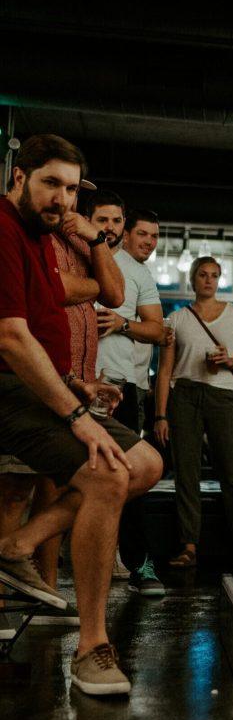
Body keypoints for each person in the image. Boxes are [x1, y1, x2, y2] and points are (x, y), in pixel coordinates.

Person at [0, 134, 162, 695]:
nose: (62, 199)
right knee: (106, 473)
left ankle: (18, 547)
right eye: (51, 184)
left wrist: (78, 385)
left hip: (42, 388)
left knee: (145, 465)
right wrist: (75, 414)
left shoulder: (40, 241)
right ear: (18, 178)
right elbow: (12, 340)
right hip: (6, 391)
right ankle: (92, 648)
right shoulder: (2, 230)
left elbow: (62, 315)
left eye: (71, 189)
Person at [30, 190, 128, 623]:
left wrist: (96, 243)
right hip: (43, 378)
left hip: (80, 378)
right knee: (17, 489)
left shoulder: (90, 245)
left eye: (114, 222)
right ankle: (25, 593)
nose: (109, 227)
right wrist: (94, 288)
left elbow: (117, 295)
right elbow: (56, 291)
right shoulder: (42, 237)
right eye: (100, 220)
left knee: (63, 486)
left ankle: (47, 591)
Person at [155, 256, 233, 567]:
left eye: (214, 275)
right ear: (193, 279)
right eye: (203, 275)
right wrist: (160, 415)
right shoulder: (176, 319)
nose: (209, 280)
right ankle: (189, 546)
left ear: (220, 279)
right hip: (184, 395)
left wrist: (230, 360)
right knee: (186, 473)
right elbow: (164, 371)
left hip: (222, 394)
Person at [92, 206, 168, 596]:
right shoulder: (87, 256)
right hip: (79, 381)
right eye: (143, 234)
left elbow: (158, 330)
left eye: (154, 237)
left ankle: (139, 563)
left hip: (124, 387)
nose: (149, 243)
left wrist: (121, 323)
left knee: (132, 472)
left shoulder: (141, 274)